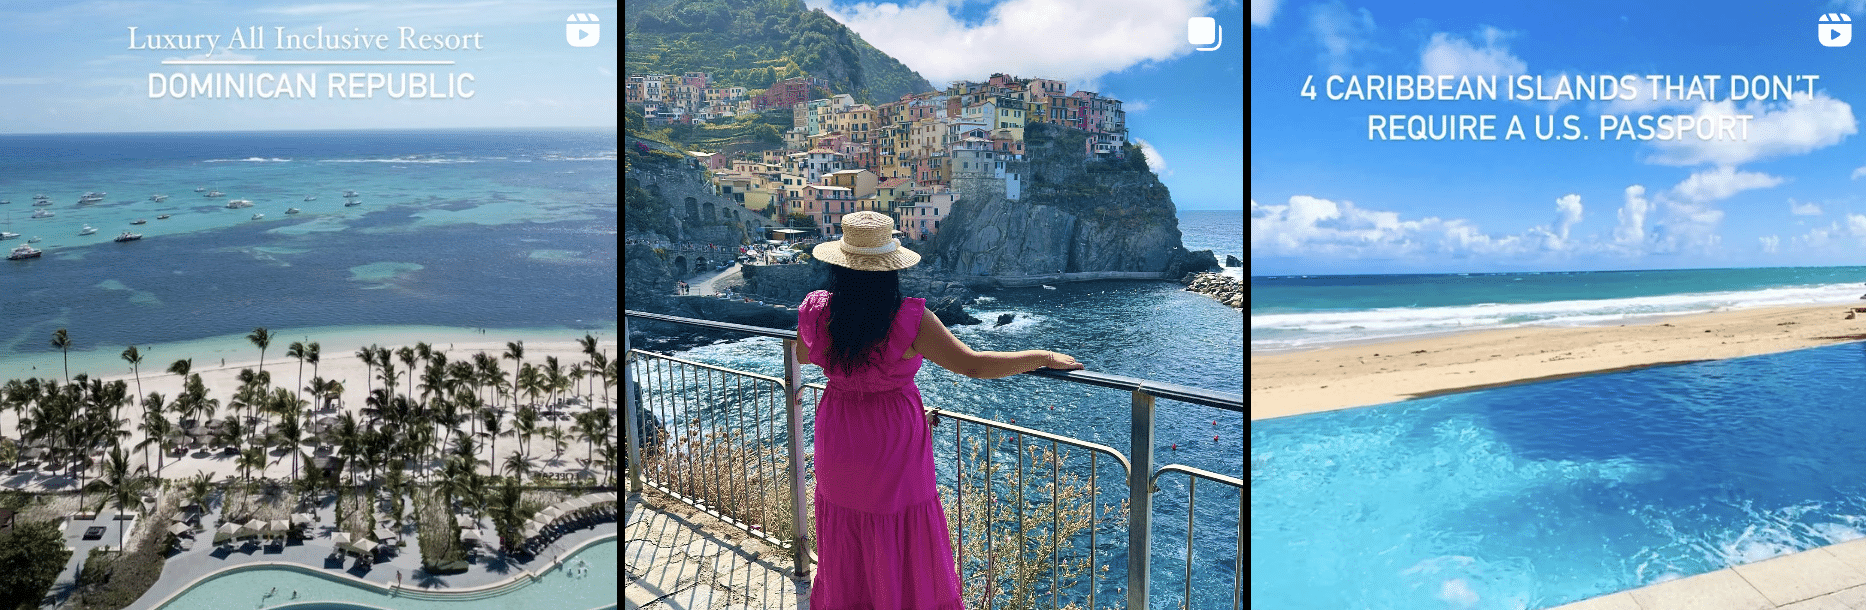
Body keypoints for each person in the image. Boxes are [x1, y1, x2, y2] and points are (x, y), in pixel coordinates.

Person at [794, 211, 1082, 609]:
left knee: (847, 524)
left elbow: (805, 354)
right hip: (890, 439)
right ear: (890, 269)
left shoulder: (817, 310)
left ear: (840, 265)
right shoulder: (908, 320)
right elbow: (974, 365)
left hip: (839, 431)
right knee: (900, 528)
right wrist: (1043, 356)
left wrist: (851, 368)